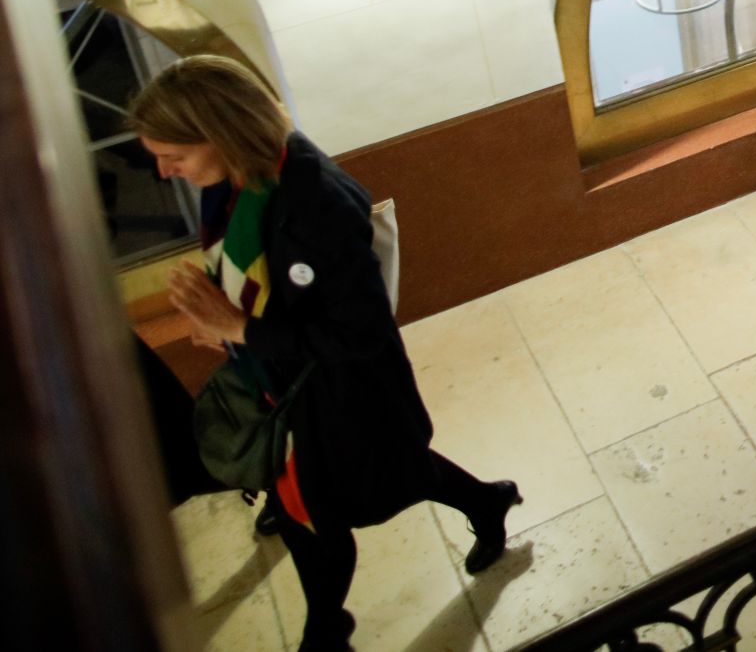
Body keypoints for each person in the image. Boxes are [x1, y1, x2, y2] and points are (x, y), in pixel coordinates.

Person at [135, 56, 519, 651]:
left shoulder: (318, 204)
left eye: (174, 156)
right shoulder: (236, 183)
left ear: (222, 133)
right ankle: (488, 501)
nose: (163, 172)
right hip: (296, 388)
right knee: (391, 476)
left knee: (315, 520)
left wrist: (240, 329)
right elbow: (261, 291)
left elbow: (359, 333)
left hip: (345, 395)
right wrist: (224, 323)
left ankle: (324, 634)